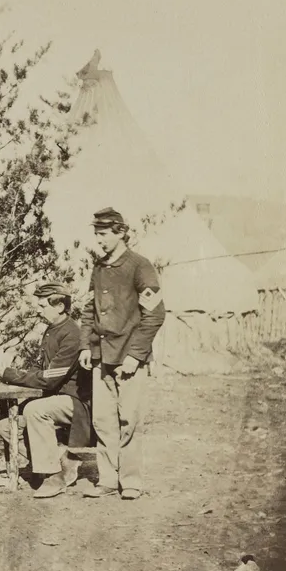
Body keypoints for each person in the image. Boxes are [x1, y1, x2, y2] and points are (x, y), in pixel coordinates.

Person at [77, 207, 166, 501]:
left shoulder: (140, 266)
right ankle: (107, 479)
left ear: (120, 232)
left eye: (103, 234)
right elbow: (89, 310)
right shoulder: (99, 268)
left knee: (129, 420)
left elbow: (155, 315)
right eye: (96, 234)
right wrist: (86, 346)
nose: (99, 240)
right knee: (102, 421)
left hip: (129, 359)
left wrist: (136, 355)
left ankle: (130, 481)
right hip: (101, 358)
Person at [0, 282, 92, 498]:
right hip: (55, 397)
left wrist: (8, 374)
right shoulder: (52, 330)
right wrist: (8, 373)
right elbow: (40, 367)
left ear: (59, 306)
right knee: (4, 425)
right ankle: (63, 459)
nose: (37, 309)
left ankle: (54, 476)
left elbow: (49, 379)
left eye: (42, 304)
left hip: (74, 401)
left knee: (34, 410)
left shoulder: (72, 334)